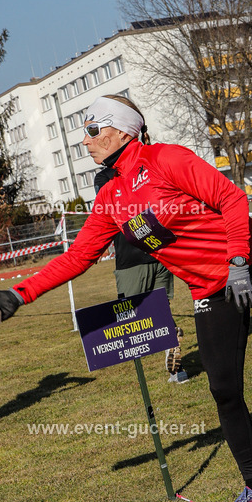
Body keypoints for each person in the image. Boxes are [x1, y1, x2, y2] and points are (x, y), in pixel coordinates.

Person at [0, 95, 252, 502]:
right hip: (208, 288)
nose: (85, 141)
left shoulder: (167, 159)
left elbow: (232, 199)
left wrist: (239, 262)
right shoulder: (111, 195)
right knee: (223, 388)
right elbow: (77, 257)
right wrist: (18, 295)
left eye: (93, 130)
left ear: (123, 130)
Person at [92, 96, 187, 384]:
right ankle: (177, 367)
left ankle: (168, 339)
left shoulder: (105, 177)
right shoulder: (153, 161)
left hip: (131, 256)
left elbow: (112, 214)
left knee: (134, 317)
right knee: (160, 307)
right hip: (160, 250)